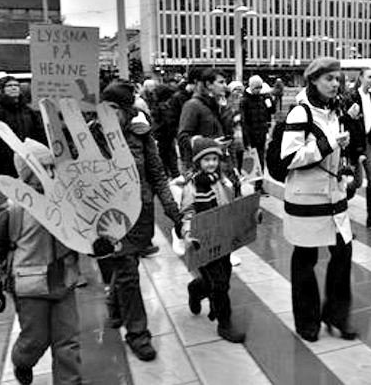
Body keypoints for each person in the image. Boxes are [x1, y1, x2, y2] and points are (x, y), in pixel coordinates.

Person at [0, 140, 82, 385]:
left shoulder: (66, 200)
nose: (50, 174)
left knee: (68, 341)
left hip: (64, 279)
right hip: (30, 286)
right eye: (42, 168)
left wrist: (100, 245)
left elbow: (85, 234)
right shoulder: (12, 210)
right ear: (27, 173)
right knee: (35, 339)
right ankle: (22, 360)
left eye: (51, 168)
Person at [95, 82, 183, 360]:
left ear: (125, 110)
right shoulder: (90, 136)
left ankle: (114, 303)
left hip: (141, 213)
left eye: (113, 108)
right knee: (129, 273)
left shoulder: (141, 134)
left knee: (127, 266)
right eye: (103, 108)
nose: (107, 114)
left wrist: (174, 213)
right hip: (109, 218)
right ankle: (138, 334)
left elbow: (157, 175)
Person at [281, 57, 357, 343]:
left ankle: (336, 315)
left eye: (337, 79)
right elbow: (289, 158)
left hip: (333, 193)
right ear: (312, 80)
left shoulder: (332, 111)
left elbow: (334, 150)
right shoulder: (300, 113)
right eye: (329, 79)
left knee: (343, 253)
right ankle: (307, 320)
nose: (335, 84)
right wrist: (328, 145)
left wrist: (344, 160)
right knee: (305, 258)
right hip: (306, 197)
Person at [181, 136, 246, 343]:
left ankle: (196, 288)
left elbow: (231, 204)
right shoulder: (192, 187)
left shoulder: (222, 181)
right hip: (204, 243)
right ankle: (224, 323)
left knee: (223, 277)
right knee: (219, 284)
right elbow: (188, 214)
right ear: (198, 162)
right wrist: (189, 234)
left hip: (223, 240)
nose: (211, 163)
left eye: (214, 159)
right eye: (206, 159)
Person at [344, 68, 371, 228]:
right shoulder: (352, 97)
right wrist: (358, 150)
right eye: (369, 77)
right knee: (356, 182)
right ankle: (338, 203)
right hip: (356, 145)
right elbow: (351, 125)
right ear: (361, 77)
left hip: (367, 143)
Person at [0, 77, 44, 182]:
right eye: (9, 85)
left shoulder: (29, 111)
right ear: (3, 89)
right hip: (6, 165)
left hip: (31, 163)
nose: (14, 88)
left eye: (16, 85)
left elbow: (40, 135)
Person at [241, 75, 275, 193]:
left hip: (261, 134)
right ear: (251, 87)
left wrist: (269, 100)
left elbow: (270, 113)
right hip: (251, 136)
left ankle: (259, 187)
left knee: (260, 162)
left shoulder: (262, 98)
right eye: (256, 88)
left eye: (260, 88)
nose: (259, 90)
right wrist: (247, 140)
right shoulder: (244, 101)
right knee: (249, 164)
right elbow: (244, 122)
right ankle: (243, 187)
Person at [157, 78, 195, 178]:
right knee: (175, 158)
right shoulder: (173, 102)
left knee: (172, 158)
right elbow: (170, 121)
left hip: (170, 136)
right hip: (173, 136)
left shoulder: (162, 105)